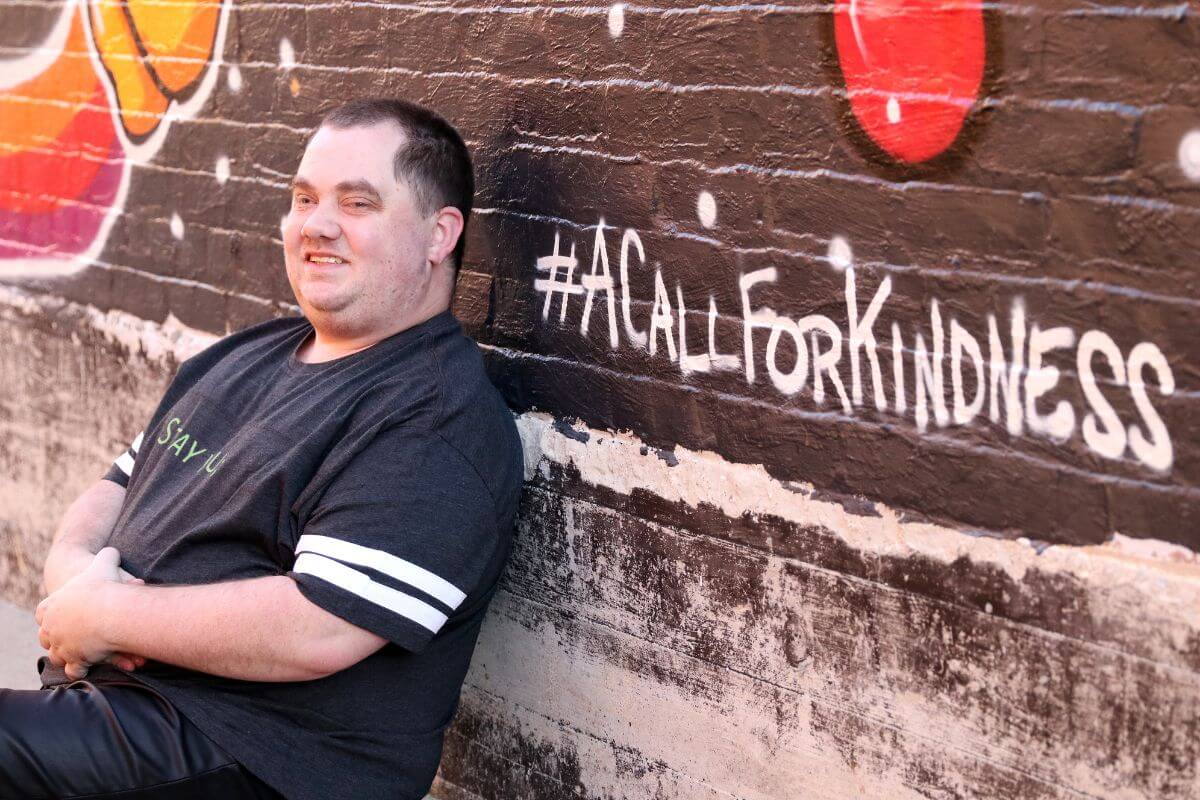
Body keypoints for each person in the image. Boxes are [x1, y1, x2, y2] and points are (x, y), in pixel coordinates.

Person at [1, 98, 524, 800]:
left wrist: (108, 618)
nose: (317, 225)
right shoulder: (243, 357)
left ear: (439, 235)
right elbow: (116, 488)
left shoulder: (436, 419)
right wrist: (74, 587)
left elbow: (318, 630)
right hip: (121, 712)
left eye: (358, 203)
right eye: (303, 198)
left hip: (253, 755)